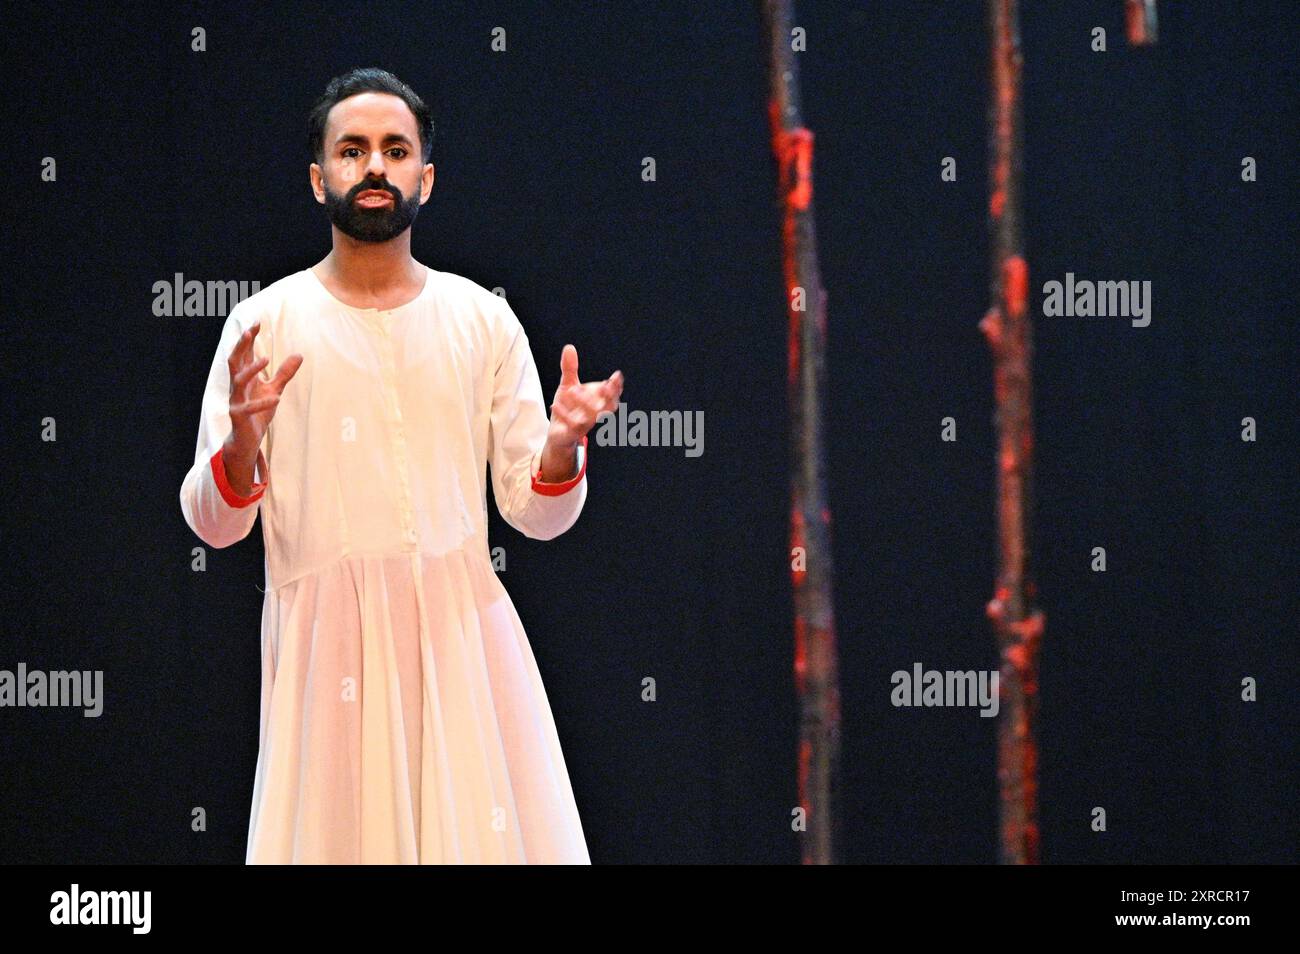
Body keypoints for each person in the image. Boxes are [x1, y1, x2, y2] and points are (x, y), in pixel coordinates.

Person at [179, 67, 623, 864]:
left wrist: (561, 448)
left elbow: (538, 512)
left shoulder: (481, 320)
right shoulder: (263, 324)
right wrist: (241, 449)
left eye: (394, 149)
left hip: (464, 650)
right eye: (351, 151)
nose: (374, 166)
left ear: (426, 175)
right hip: (326, 667)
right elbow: (213, 525)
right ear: (320, 180)